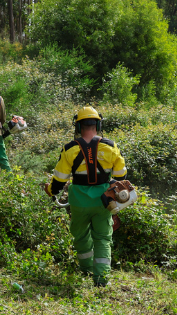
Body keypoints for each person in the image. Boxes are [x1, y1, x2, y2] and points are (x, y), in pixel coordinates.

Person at [44, 107, 127, 287]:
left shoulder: (69, 149)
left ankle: (86, 269)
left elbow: (59, 180)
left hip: (79, 202)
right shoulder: (110, 146)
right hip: (104, 201)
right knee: (103, 238)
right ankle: (101, 279)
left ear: (78, 126)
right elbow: (121, 177)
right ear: (97, 124)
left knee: (80, 236)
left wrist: (51, 191)